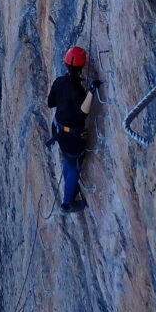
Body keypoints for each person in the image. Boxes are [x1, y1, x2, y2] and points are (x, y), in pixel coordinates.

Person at [47, 46, 99, 213]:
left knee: (68, 162)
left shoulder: (58, 82)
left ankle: (70, 189)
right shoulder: (78, 90)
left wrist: (65, 103)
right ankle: (66, 204)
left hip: (58, 131)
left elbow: (51, 103)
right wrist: (91, 92)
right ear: (81, 67)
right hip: (72, 139)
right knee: (74, 167)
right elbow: (82, 114)